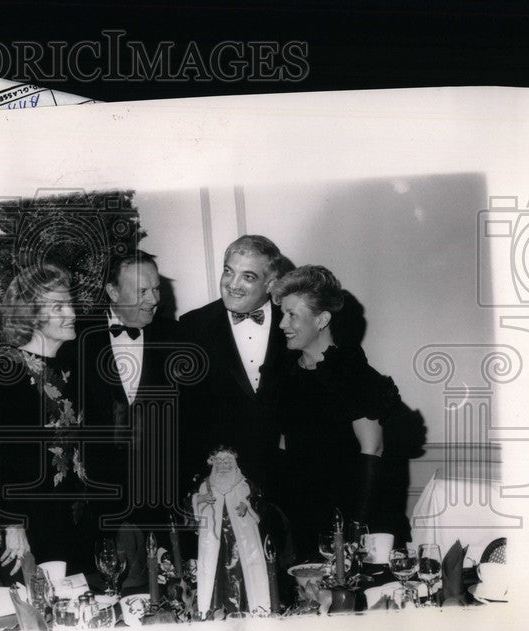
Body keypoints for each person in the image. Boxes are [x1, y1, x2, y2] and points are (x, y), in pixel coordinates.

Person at [270, 265, 409, 560]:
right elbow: (284, 446)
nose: (282, 324)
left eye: (292, 314)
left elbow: (373, 449)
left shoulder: (353, 374)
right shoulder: (286, 375)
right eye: (283, 314)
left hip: (354, 520)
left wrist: (356, 530)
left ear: (322, 319)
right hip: (303, 518)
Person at [66, 251, 182, 588]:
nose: (153, 300)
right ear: (113, 292)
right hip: (98, 507)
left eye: (156, 289)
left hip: (162, 502)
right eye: (141, 292)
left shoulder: (175, 337)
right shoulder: (74, 339)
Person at [0, 263, 98, 577]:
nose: (72, 314)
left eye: (70, 304)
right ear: (33, 315)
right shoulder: (10, 371)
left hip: (79, 514)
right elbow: (2, 458)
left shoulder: (70, 365)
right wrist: (13, 525)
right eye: (59, 307)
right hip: (39, 522)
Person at [178, 235, 294, 494]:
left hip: (289, 477)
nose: (233, 284)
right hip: (219, 481)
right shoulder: (191, 327)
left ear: (271, 284)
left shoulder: (294, 324)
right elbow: (184, 416)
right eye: (228, 272)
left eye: (248, 277)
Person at [188, 446, 272, 617]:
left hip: (241, 542)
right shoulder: (205, 486)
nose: (224, 465)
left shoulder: (245, 485)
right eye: (219, 461)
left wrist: (247, 505)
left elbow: (260, 502)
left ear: (234, 462)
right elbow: (188, 505)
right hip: (214, 540)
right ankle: (213, 610)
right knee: (214, 572)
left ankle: (245, 609)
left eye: (228, 461)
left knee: (241, 573)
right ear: (213, 464)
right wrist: (199, 499)